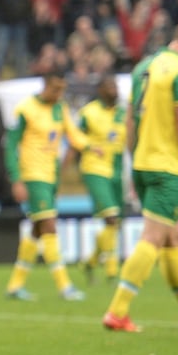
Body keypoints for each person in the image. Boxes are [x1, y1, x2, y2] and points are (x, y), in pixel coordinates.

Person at [103, 17, 178, 332]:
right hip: (166, 166)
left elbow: (130, 120)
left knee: (172, 238)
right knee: (154, 238)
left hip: (143, 162)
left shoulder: (144, 66)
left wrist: (134, 162)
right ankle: (117, 311)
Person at [4, 73, 89, 301]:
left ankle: (14, 285)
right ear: (45, 87)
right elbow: (10, 144)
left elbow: (74, 135)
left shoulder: (59, 109)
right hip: (33, 175)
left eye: (62, 90)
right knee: (49, 226)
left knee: (37, 229)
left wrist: (93, 145)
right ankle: (65, 286)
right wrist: (16, 178)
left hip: (51, 176)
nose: (58, 94)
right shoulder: (25, 109)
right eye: (55, 89)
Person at [65, 76, 127, 284]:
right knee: (111, 216)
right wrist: (66, 169)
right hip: (94, 168)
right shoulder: (89, 112)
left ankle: (90, 263)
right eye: (110, 86)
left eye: (115, 86)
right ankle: (112, 271)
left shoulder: (122, 112)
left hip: (117, 169)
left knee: (115, 222)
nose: (114, 89)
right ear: (100, 90)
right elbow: (75, 138)